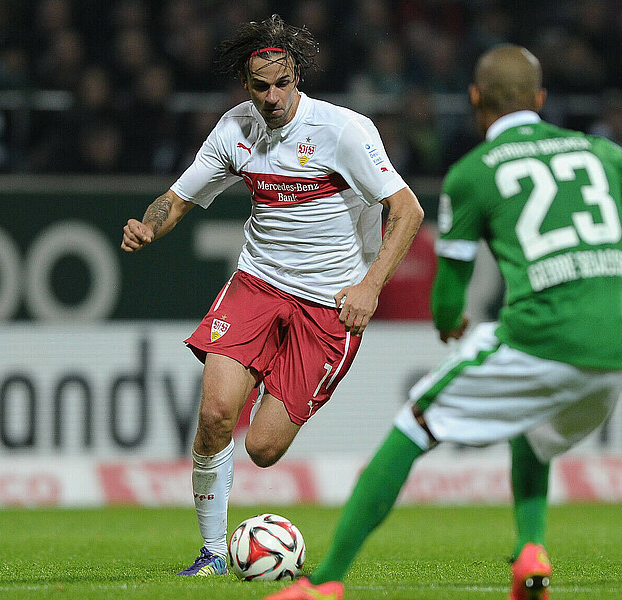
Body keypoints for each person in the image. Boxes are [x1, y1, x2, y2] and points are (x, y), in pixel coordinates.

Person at [265, 44, 622, 600]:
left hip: (543, 338)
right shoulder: (600, 152)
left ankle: (326, 582)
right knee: (533, 436)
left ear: (475, 99)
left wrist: (449, 322)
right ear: (540, 98)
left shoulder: (472, 174)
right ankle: (531, 550)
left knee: (412, 428)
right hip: (617, 346)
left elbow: (449, 293)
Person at [120, 15, 423, 577]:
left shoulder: (343, 130)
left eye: (282, 83)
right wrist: (147, 225)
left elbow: (407, 210)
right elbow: (180, 198)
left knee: (262, 447)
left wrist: (370, 285)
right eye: (261, 87)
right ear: (245, 84)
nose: (273, 96)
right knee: (214, 414)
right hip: (257, 284)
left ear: (297, 76)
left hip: (329, 304)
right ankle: (211, 554)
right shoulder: (235, 129)